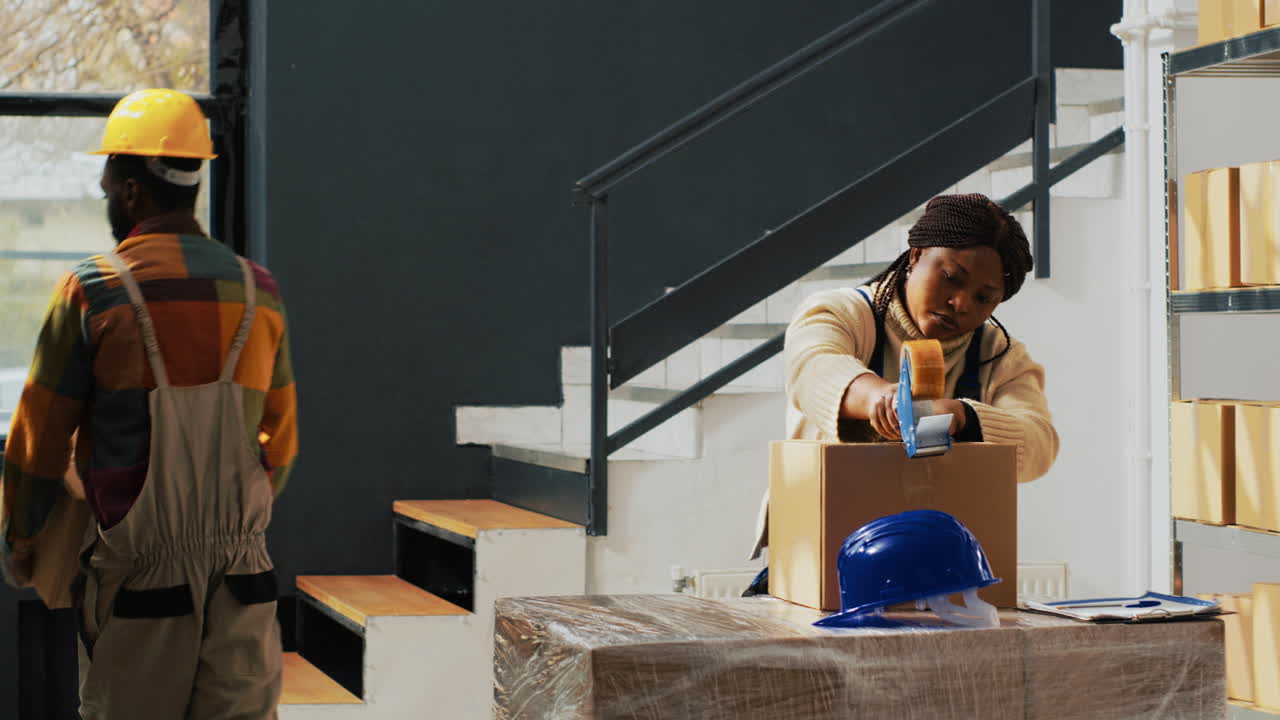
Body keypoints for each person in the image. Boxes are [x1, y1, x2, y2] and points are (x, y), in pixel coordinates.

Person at [0, 88, 297, 719]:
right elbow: (282, 441)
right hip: (245, 579)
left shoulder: (94, 292)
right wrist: (231, 525)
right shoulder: (258, 293)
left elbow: (38, 441)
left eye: (108, 178)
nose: (105, 191)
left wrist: (23, 543)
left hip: (141, 584)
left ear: (133, 188)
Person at [747, 193, 1059, 574]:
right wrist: (878, 397)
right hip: (817, 548)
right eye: (950, 278)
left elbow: (1039, 445)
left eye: (983, 297)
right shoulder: (841, 314)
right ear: (916, 256)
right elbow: (813, 368)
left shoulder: (1000, 356)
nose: (961, 304)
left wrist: (961, 417)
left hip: (933, 561)